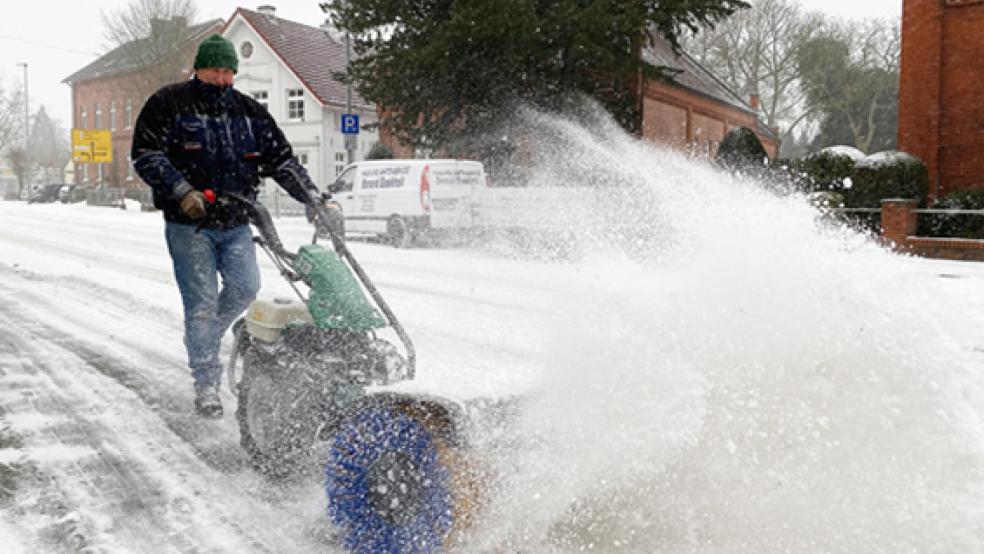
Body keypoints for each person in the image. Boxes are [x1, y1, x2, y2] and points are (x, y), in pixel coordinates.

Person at [131, 34, 319, 418]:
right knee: (201, 304)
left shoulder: (249, 113)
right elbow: (146, 154)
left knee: (246, 287)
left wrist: (314, 197)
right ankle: (206, 383)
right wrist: (182, 190)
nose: (222, 78)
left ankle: (203, 338)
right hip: (190, 225)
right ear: (198, 69)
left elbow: (282, 161)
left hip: (236, 221)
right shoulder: (168, 104)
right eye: (215, 70)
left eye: (228, 71)